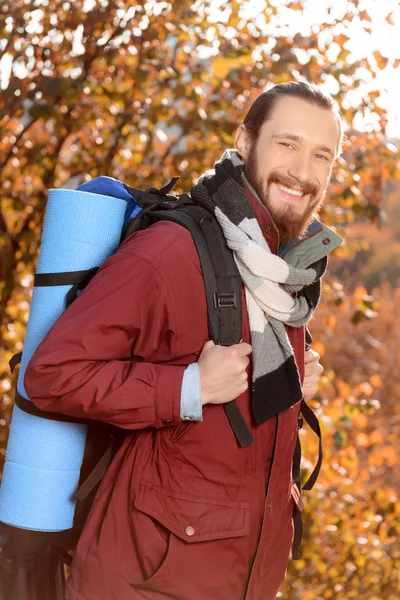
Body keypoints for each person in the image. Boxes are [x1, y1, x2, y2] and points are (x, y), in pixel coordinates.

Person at [24, 81, 343, 600]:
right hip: (138, 585)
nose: (303, 172)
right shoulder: (170, 252)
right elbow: (52, 375)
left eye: (321, 155)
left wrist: (288, 376)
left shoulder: (285, 277)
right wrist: (187, 387)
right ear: (245, 141)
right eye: (287, 144)